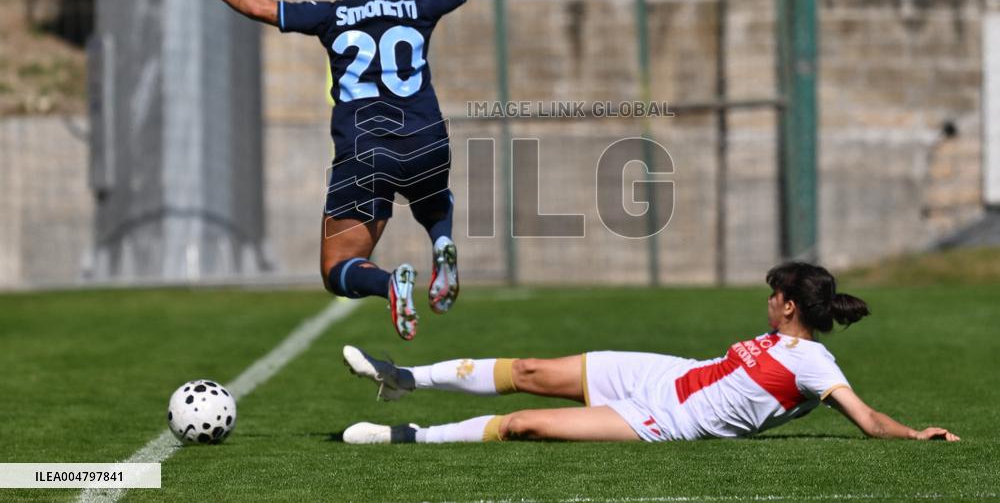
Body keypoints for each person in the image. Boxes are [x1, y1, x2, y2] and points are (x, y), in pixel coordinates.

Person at [189, 0, 496, 340]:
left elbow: (259, 6)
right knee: (434, 194)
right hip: (426, 139)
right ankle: (441, 244)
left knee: (337, 267)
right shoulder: (419, 3)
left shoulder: (331, 15)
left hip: (364, 153)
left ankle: (390, 283)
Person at [339, 261, 961, 443]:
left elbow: (866, 419)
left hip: (667, 418)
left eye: (775, 296)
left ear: (791, 306)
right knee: (527, 369)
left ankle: (407, 437)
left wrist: (913, 434)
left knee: (526, 424)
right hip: (665, 373)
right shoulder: (781, 339)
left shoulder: (814, 363)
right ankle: (402, 377)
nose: (768, 301)